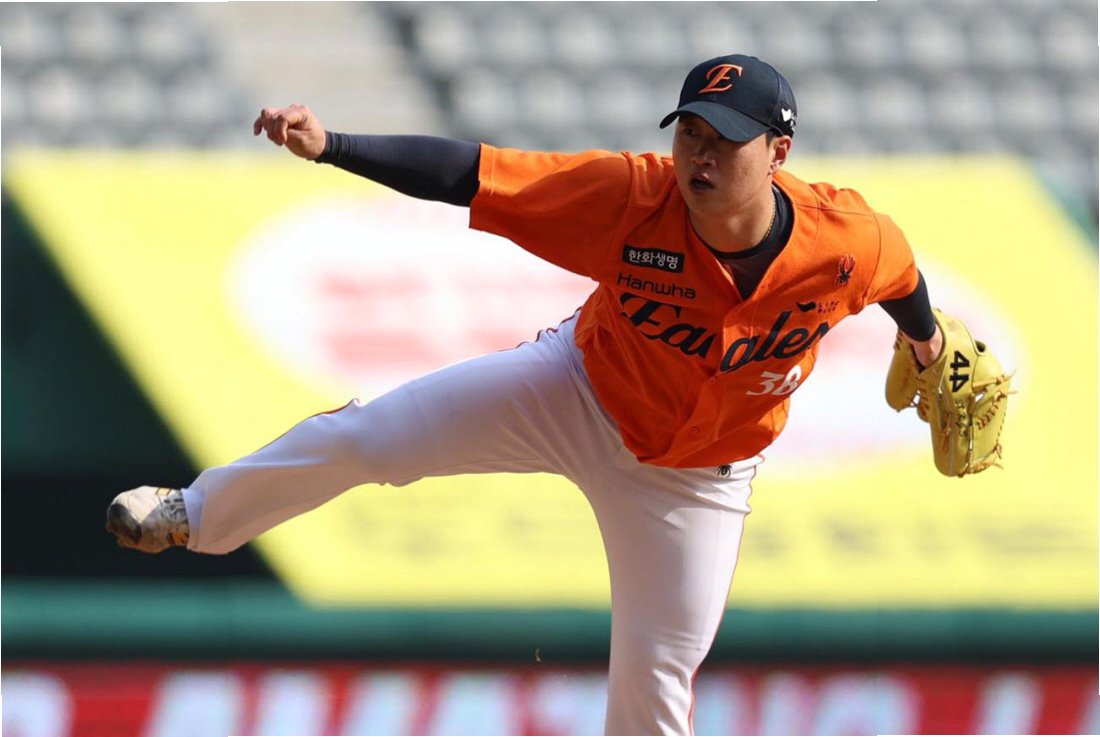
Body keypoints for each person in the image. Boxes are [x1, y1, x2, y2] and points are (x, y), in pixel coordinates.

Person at [107, 54, 947, 735]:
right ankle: (194, 511)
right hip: (575, 392)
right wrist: (334, 145)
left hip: (698, 480)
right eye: (691, 131)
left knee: (653, 687)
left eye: (725, 139)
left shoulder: (845, 241)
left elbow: (903, 276)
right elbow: (470, 174)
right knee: (375, 434)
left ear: (777, 153)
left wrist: (928, 344)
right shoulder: (630, 197)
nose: (700, 154)